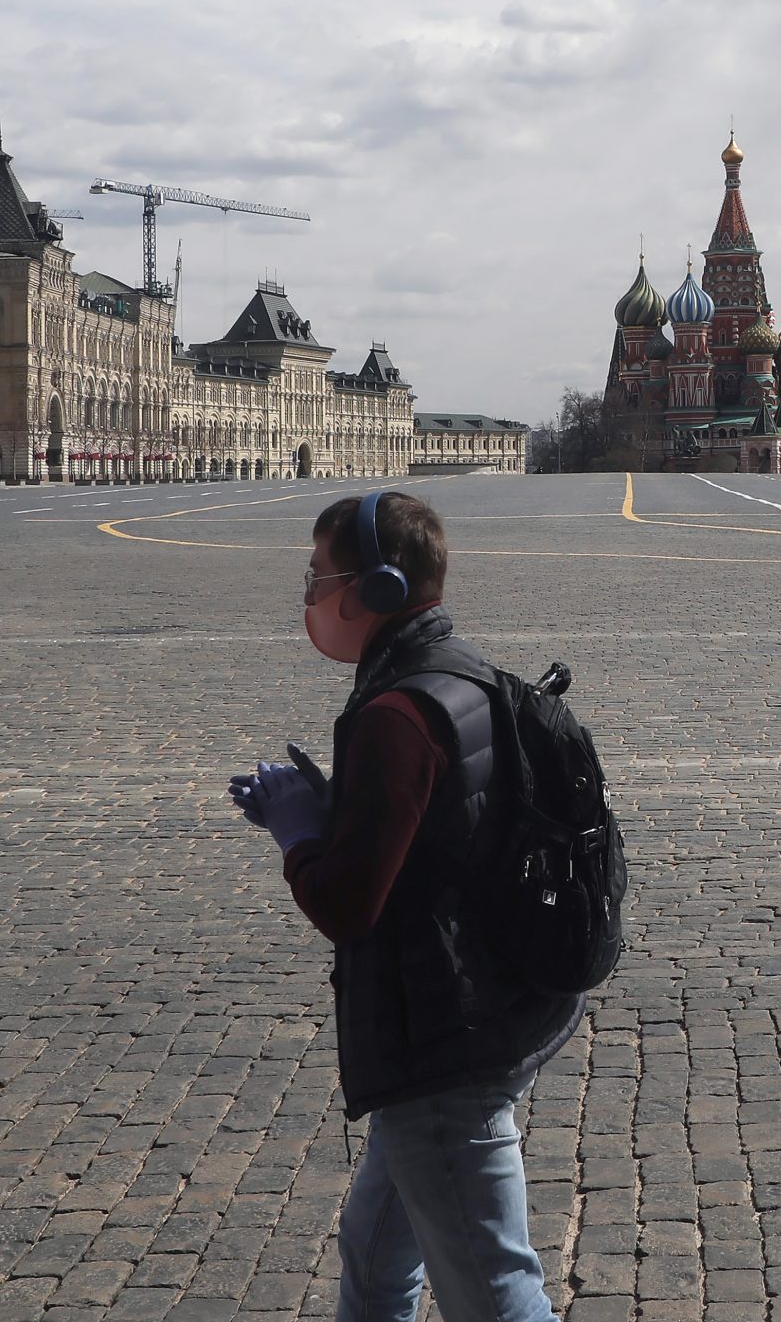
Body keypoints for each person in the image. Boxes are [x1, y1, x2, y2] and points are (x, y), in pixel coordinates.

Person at [230, 490, 580, 1322]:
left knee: (494, 1290)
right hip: (486, 1006)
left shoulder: (394, 712)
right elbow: (441, 829)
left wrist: (297, 834)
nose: (311, 594)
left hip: (438, 1039)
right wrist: (333, 809)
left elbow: (349, 903)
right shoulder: (459, 672)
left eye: (320, 576)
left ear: (377, 589)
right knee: (379, 1252)